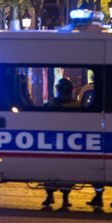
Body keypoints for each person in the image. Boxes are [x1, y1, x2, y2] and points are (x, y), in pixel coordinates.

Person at [42, 77, 77, 208]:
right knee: (64, 171)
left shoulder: (52, 104)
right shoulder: (74, 105)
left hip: (55, 142)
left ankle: (52, 196)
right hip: (66, 143)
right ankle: (63, 198)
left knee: (51, 170)